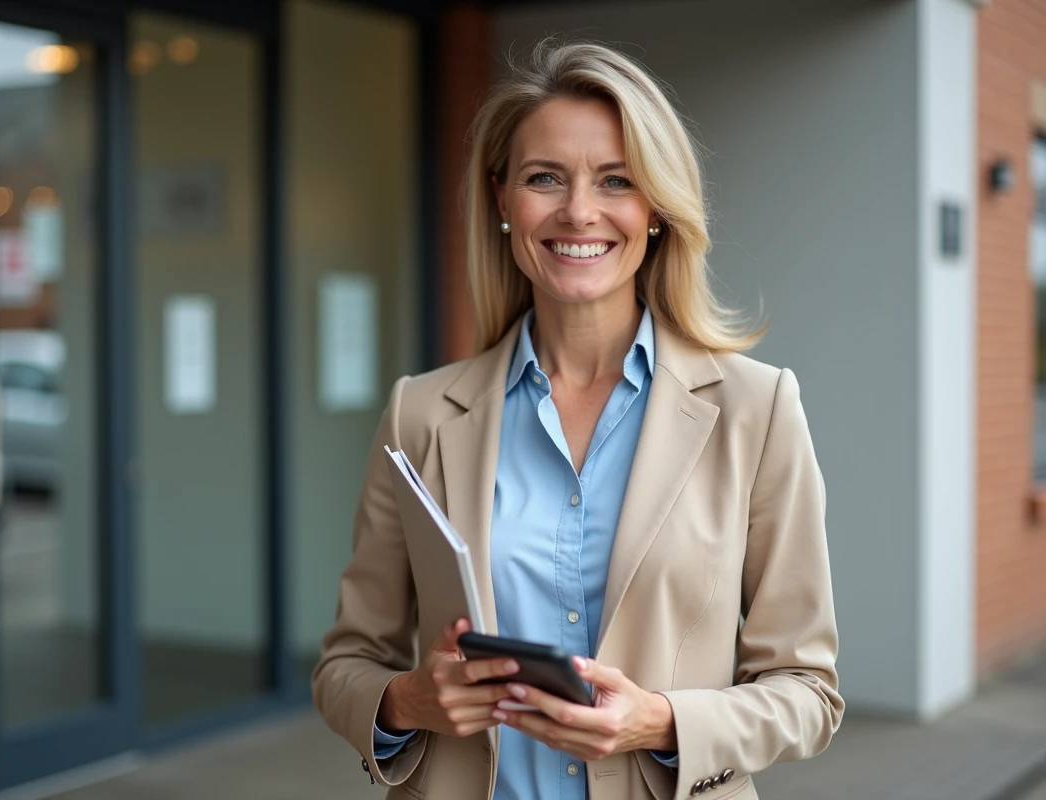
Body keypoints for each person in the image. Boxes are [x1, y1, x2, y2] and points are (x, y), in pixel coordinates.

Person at [312, 39, 842, 800]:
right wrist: (407, 702)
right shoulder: (421, 414)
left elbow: (808, 691)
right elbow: (346, 662)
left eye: (616, 180)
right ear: (502, 199)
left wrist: (661, 722)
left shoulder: (754, 411)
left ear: (655, 206)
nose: (579, 211)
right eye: (544, 178)